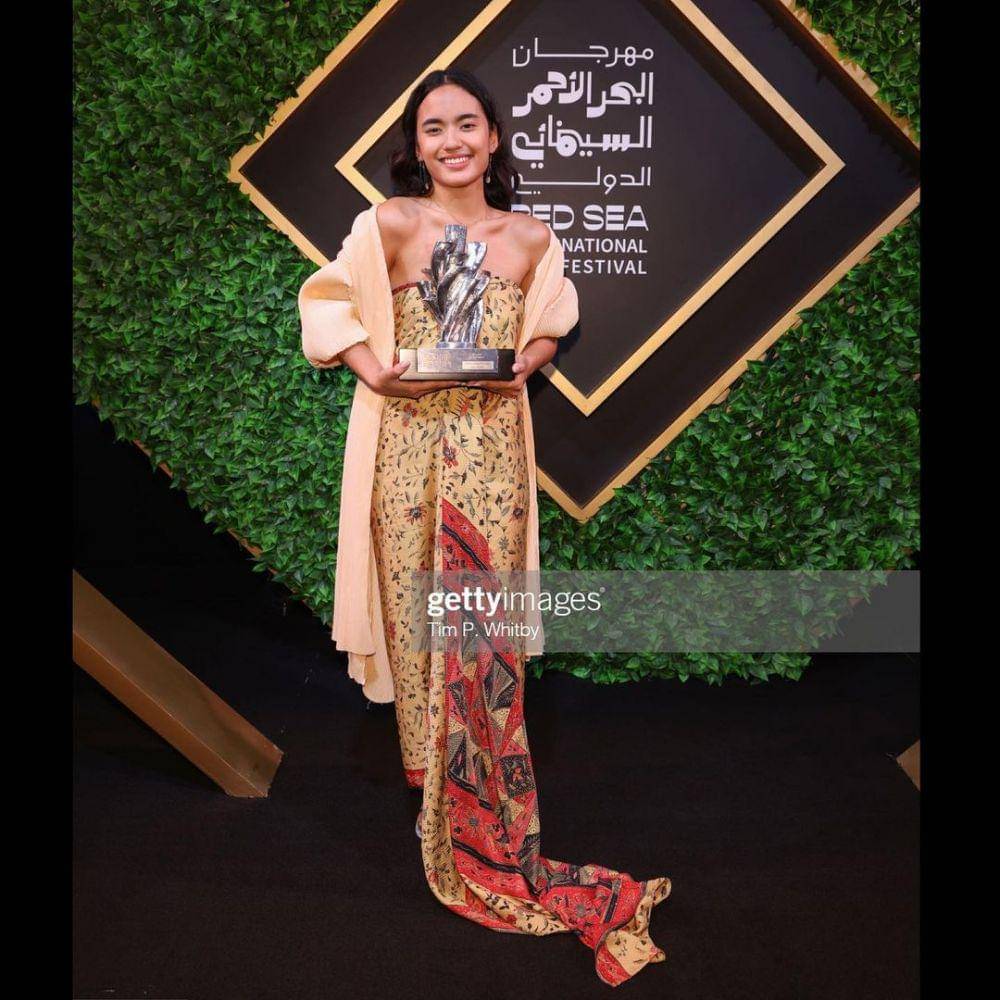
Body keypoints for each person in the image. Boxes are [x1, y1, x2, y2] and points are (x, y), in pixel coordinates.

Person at [299, 68, 670, 987]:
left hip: (491, 452)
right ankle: (437, 803)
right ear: (416, 145)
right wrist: (373, 371)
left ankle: (477, 813)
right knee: (413, 619)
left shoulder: (531, 236)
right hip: (404, 449)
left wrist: (526, 363)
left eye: (467, 124)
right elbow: (326, 301)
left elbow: (553, 319)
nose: (452, 141)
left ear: (494, 136)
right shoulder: (389, 224)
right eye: (434, 128)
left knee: (477, 627)